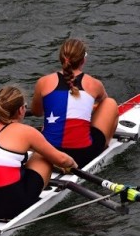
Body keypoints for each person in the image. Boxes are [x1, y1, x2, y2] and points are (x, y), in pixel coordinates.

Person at [0, 85, 77, 220]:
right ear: (21, 110)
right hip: (10, 206)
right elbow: (62, 160)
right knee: (42, 155)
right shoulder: (27, 132)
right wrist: (74, 165)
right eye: (25, 106)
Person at [31, 37, 119, 168]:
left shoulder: (43, 82)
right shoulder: (94, 84)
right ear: (83, 60)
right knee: (110, 103)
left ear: (61, 58)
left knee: (46, 127)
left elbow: (37, 112)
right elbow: (103, 104)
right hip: (82, 155)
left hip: (50, 153)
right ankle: (103, 148)